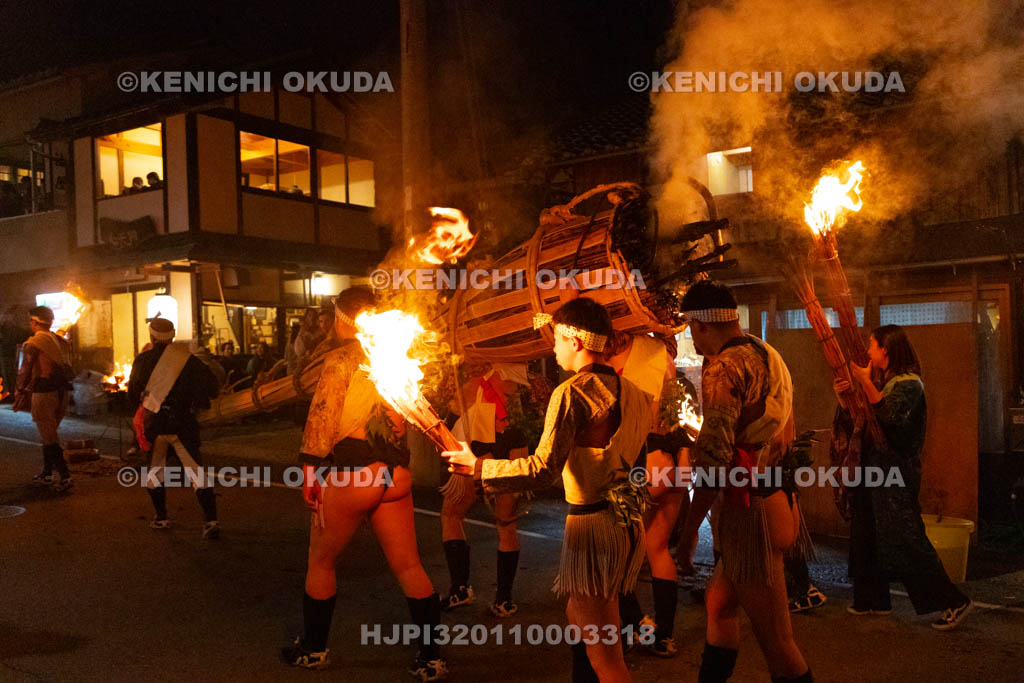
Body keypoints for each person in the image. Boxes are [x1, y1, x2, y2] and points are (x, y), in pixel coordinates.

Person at [446, 297, 652, 683]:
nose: (552, 346)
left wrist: (479, 467)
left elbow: (542, 469)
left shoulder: (573, 392)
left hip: (594, 527)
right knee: (578, 617)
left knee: (608, 657)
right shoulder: (636, 392)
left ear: (574, 340)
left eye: (556, 337)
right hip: (623, 522)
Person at [282, 288, 448, 681]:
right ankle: (431, 659)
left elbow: (322, 418)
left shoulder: (341, 360)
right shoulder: (398, 358)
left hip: (355, 475)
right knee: (409, 565)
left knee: (320, 562)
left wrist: (309, 470)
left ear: (344, 319)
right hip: (395, 477)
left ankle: (314, 650)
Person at [680, 280, 812, 683]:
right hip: (775, 496)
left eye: (689, 328)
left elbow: (714, 459)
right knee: (719, 604)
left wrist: (688, 534)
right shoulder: (766, 352)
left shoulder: (724, 367)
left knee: (778, 640)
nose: (691, 338)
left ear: (700, 325)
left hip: (750, 509)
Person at [835, 324, 973, 630]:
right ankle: (872, 599)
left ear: (886, 349)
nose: (869, 352)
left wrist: (865, 382)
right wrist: (848, 394)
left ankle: (953, 601)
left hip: (895, 473)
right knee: (866, 531)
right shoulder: (887, 381)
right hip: (874, 471)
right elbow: (864, 420)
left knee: (905, 537)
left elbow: (892, 420)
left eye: (872, 346)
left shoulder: (909, 384)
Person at [610, 333, 692, 658]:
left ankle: (636, 624)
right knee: (658, 549)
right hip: (676, 457)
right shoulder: (662, 352)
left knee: (616, 550)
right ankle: (665, 638)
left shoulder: (627, 353)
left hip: (649, 457)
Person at [439, 364, 529, 617]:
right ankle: (504, 600)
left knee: (451, 515)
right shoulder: (518, 369)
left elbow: (451, 418)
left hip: (479, 446)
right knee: (506, 523)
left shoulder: (474, 382)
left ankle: (459, 588)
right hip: (514, 442)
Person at [127, 318, 221, 537]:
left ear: (151, 336)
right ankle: (211, 520)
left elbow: (133, 395)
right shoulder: (189, 360)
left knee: (155, 472)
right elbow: (212, 388)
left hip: (156, 423)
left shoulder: (142, 360)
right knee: (197, 474)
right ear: (172, 336)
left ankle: (161, 518)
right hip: (183, 422)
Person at [12, 306, 74, 491]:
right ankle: (47, 473)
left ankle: (65, 476)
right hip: (62, 393)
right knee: (49, 435)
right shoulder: (60, 341)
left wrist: (19, 391)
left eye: (31, 321)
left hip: (45, 392)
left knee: (49, 436)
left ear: (35, 322)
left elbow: (25, 370)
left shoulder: (34, 342)